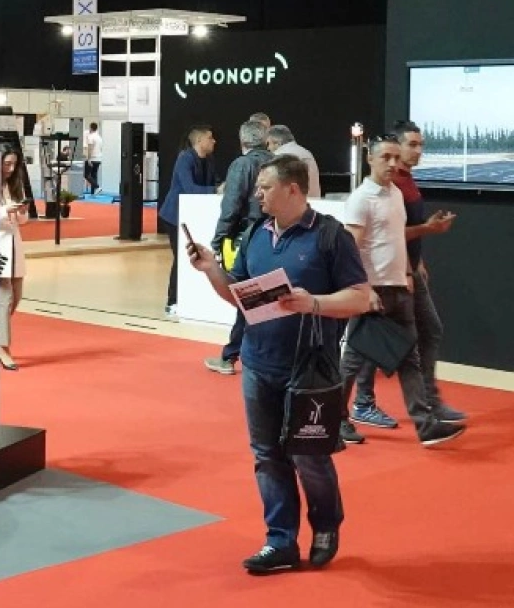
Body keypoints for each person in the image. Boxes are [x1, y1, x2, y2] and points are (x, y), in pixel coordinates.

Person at [188, 154, 371, 574]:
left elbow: (361, 298)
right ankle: (280, 540)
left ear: (292, 189)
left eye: (265, 187)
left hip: (310, 369)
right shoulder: (255, 233)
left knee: (310, 456)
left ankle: (326, 525)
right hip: (258, 362)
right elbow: (239, 297)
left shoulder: (330, 236)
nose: (257, 194)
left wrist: (314, 302)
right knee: (267, 455)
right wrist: (212, 270)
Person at [336, 135, 463, 448]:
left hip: (398, 288)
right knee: (352, 362)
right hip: (372, 292)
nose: (393, 163)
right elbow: (350, 250)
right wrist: (364, 289)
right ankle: (333, 420)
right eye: (386, 157)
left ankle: (425, 426)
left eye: (396, 157)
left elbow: (396, 239)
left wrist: (407, 272)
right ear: (370, 159)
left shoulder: (395, 194)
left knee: (410, 358)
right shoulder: (361, 199)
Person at [204, 120, 275, 375]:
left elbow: (231, 205)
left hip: (248, 236)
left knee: (248, 296)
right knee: (265, 295)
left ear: (242, 140)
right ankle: (240, 353)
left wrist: (218, 239)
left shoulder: (242, 165)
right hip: (276, 235)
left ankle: (231, 355)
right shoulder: (278, 163)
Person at [158, 124, 218, 314]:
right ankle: (172, 301)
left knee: (193, 257)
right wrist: (216, 190)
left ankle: (189, 298)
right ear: (199, 140)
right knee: (181, 258)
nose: (214, 141)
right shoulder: (185, 159)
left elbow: (211, 183)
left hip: (192, 215)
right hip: (174, 215)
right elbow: (190, 189)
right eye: (210, 138)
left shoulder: (209, 160)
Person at [0, 145, 29, 371]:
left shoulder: (14, 184)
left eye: (13, 164)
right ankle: (2, 348)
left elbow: (22, 221)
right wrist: (4, 210)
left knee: (16, 296)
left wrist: (20, 211)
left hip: (15, 245)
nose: (10, 168)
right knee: (5, 297)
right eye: (6, 163)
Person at [265, 125, 321, 198]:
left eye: (268, 144)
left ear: (277, 142)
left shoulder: (280, 156)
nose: (268, 148)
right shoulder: (305, 152)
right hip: (314, 200)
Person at [83, 122, 102, 195]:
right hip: (98, 159)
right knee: (94, 175)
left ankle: (97, 187)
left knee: (86, 175)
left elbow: (90, 148)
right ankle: (93, 192)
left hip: (92, 158)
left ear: (90, 128)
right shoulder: (99, 137)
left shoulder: (91, 137)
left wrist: (88, 159)